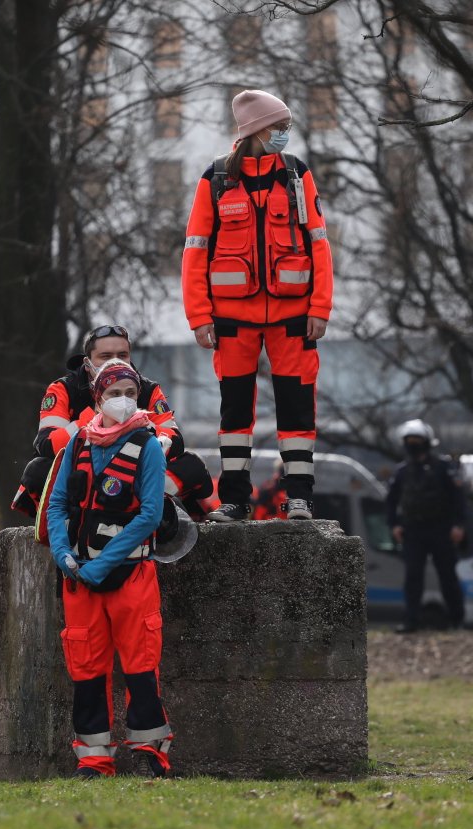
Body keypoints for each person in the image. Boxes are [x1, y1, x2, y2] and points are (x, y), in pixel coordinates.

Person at [181, 89, 335, 522]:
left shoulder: (295, 175)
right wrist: (199, 316)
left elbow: (319, 244)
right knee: (235, 410)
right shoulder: (214, 180)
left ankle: (299, 497)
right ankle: (233, 499)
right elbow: (195, 249)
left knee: (297, 407)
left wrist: (320, 308)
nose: (285, 134)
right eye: (278, 127)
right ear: (255, 130)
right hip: (232, 319)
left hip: (293, 317)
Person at [45, 359, 174, 779]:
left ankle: (148, 753)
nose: (123, 401)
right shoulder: (79, 444)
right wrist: (63, 553)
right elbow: (58, 504)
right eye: (114, 393)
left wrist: (103, 563)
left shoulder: (148, 445)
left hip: (131, 576)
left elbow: (150, 515)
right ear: (97, 396)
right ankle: (94, 759)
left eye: (130, 393)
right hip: (78, 578)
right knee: (86, 669)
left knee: (141, 665)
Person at [11, 324, 216, 520]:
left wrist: (141, 431)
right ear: (87, 363)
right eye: (105, 356)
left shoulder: (148, 389)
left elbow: (175, 440)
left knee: (192, 465)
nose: (115, 362)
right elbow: (46, 444)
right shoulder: (63, 389)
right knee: (38, 470)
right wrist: (95, 420)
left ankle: (152, 507)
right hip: (83, 473)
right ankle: (68, 520)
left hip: (135, 470)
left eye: (122, 355)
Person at [386, 419, 466, 633]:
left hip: (441, 529)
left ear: (427, 442)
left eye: (417, 440)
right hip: (413, 530)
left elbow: (458, 498)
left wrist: (458, 525)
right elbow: (391, 501)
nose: (413, 444)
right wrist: (394, 525)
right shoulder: (402, 471)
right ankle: (411, 621)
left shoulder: (443, 468)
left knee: (447, 576)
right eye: (409, 440)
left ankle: (457, 620)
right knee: (413, 577)